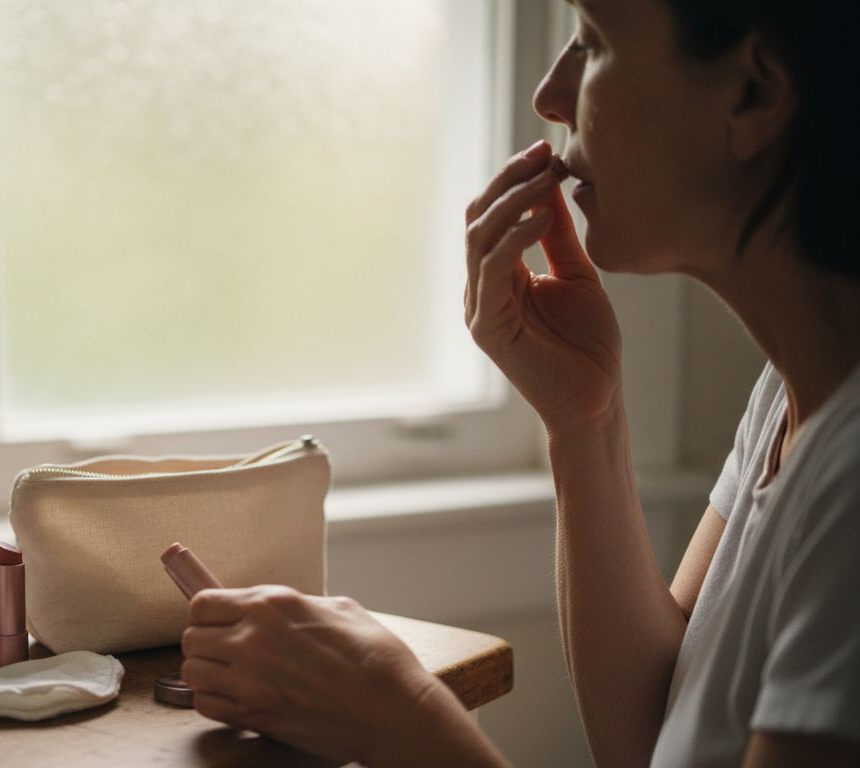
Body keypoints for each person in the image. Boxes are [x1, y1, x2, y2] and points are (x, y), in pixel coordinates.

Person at [178, 0, 860, 765]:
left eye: (593, 43)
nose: (549, 94)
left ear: (754, 96)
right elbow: (649, 741)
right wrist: (584, 421)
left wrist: (399, 716)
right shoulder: (791, 392)